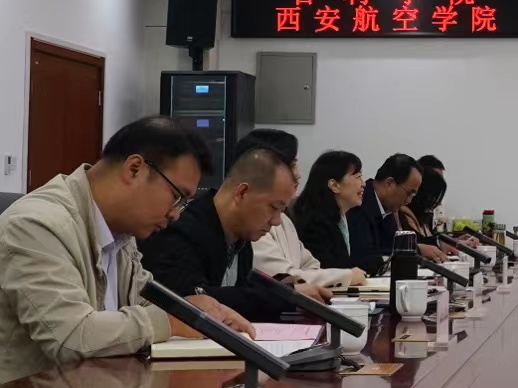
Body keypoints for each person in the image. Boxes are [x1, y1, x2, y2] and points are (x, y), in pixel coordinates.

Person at [0, 116, 253, 388]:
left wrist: (193, 308)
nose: (175, 214)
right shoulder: (37, 225)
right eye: (177, 197)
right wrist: (170, 322)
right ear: (135, 169)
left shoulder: (119, 235)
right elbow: (72, 338)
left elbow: (143, 301)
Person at [139, 147, 332, 323]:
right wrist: (286, 298)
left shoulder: (241, 237)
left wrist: (283, 287)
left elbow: (239, 293)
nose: (276, 221)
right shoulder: (182, 231)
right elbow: (195, 301)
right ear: (242, 192)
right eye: (274, 207)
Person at [239, 131, 368, 289]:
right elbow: (283, 277)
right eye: (292, 165)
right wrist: (346, 275)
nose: (298, 175)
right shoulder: (253, 221)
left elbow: (311, 265)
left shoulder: (283, 218)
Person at [289, 150, 373, 284]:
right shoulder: (315, 222)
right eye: (357, 176)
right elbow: (327, 268)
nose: (363, 183)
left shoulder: (345, 216)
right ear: (334, 185)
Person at [347, 153, 423, 266]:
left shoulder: (387, 207)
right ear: (389, 184)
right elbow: (364, 258)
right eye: (408, 193)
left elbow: (391, 247)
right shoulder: (360, 204)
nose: (409, 201)